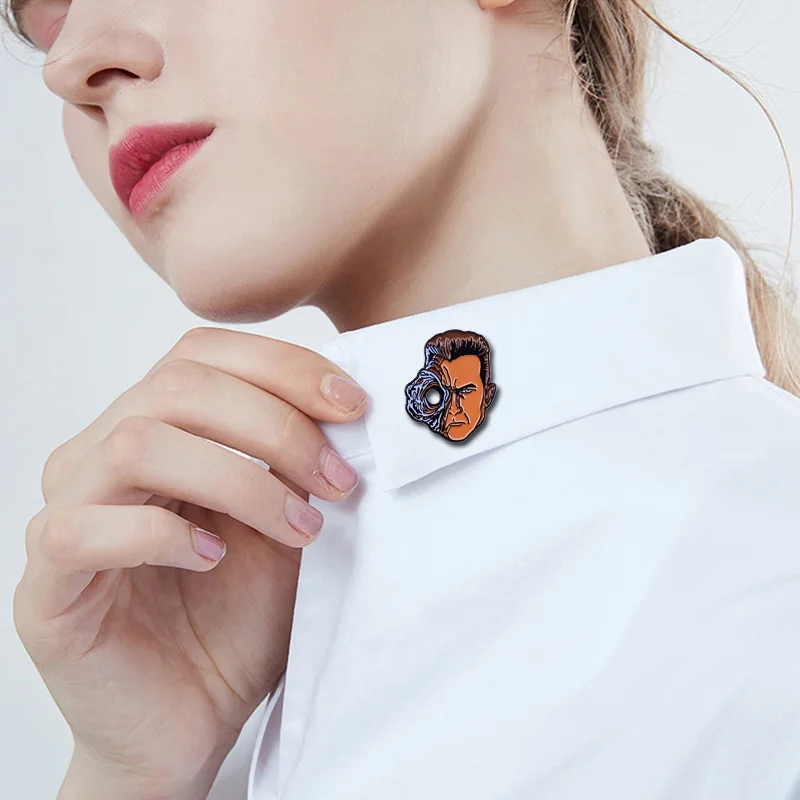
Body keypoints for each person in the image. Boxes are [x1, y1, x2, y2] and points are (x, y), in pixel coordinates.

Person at [5, 1, 800, 798]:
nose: (69, 65)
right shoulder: (211, 668)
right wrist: (131, 776)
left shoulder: (763, 587)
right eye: (47, 28)